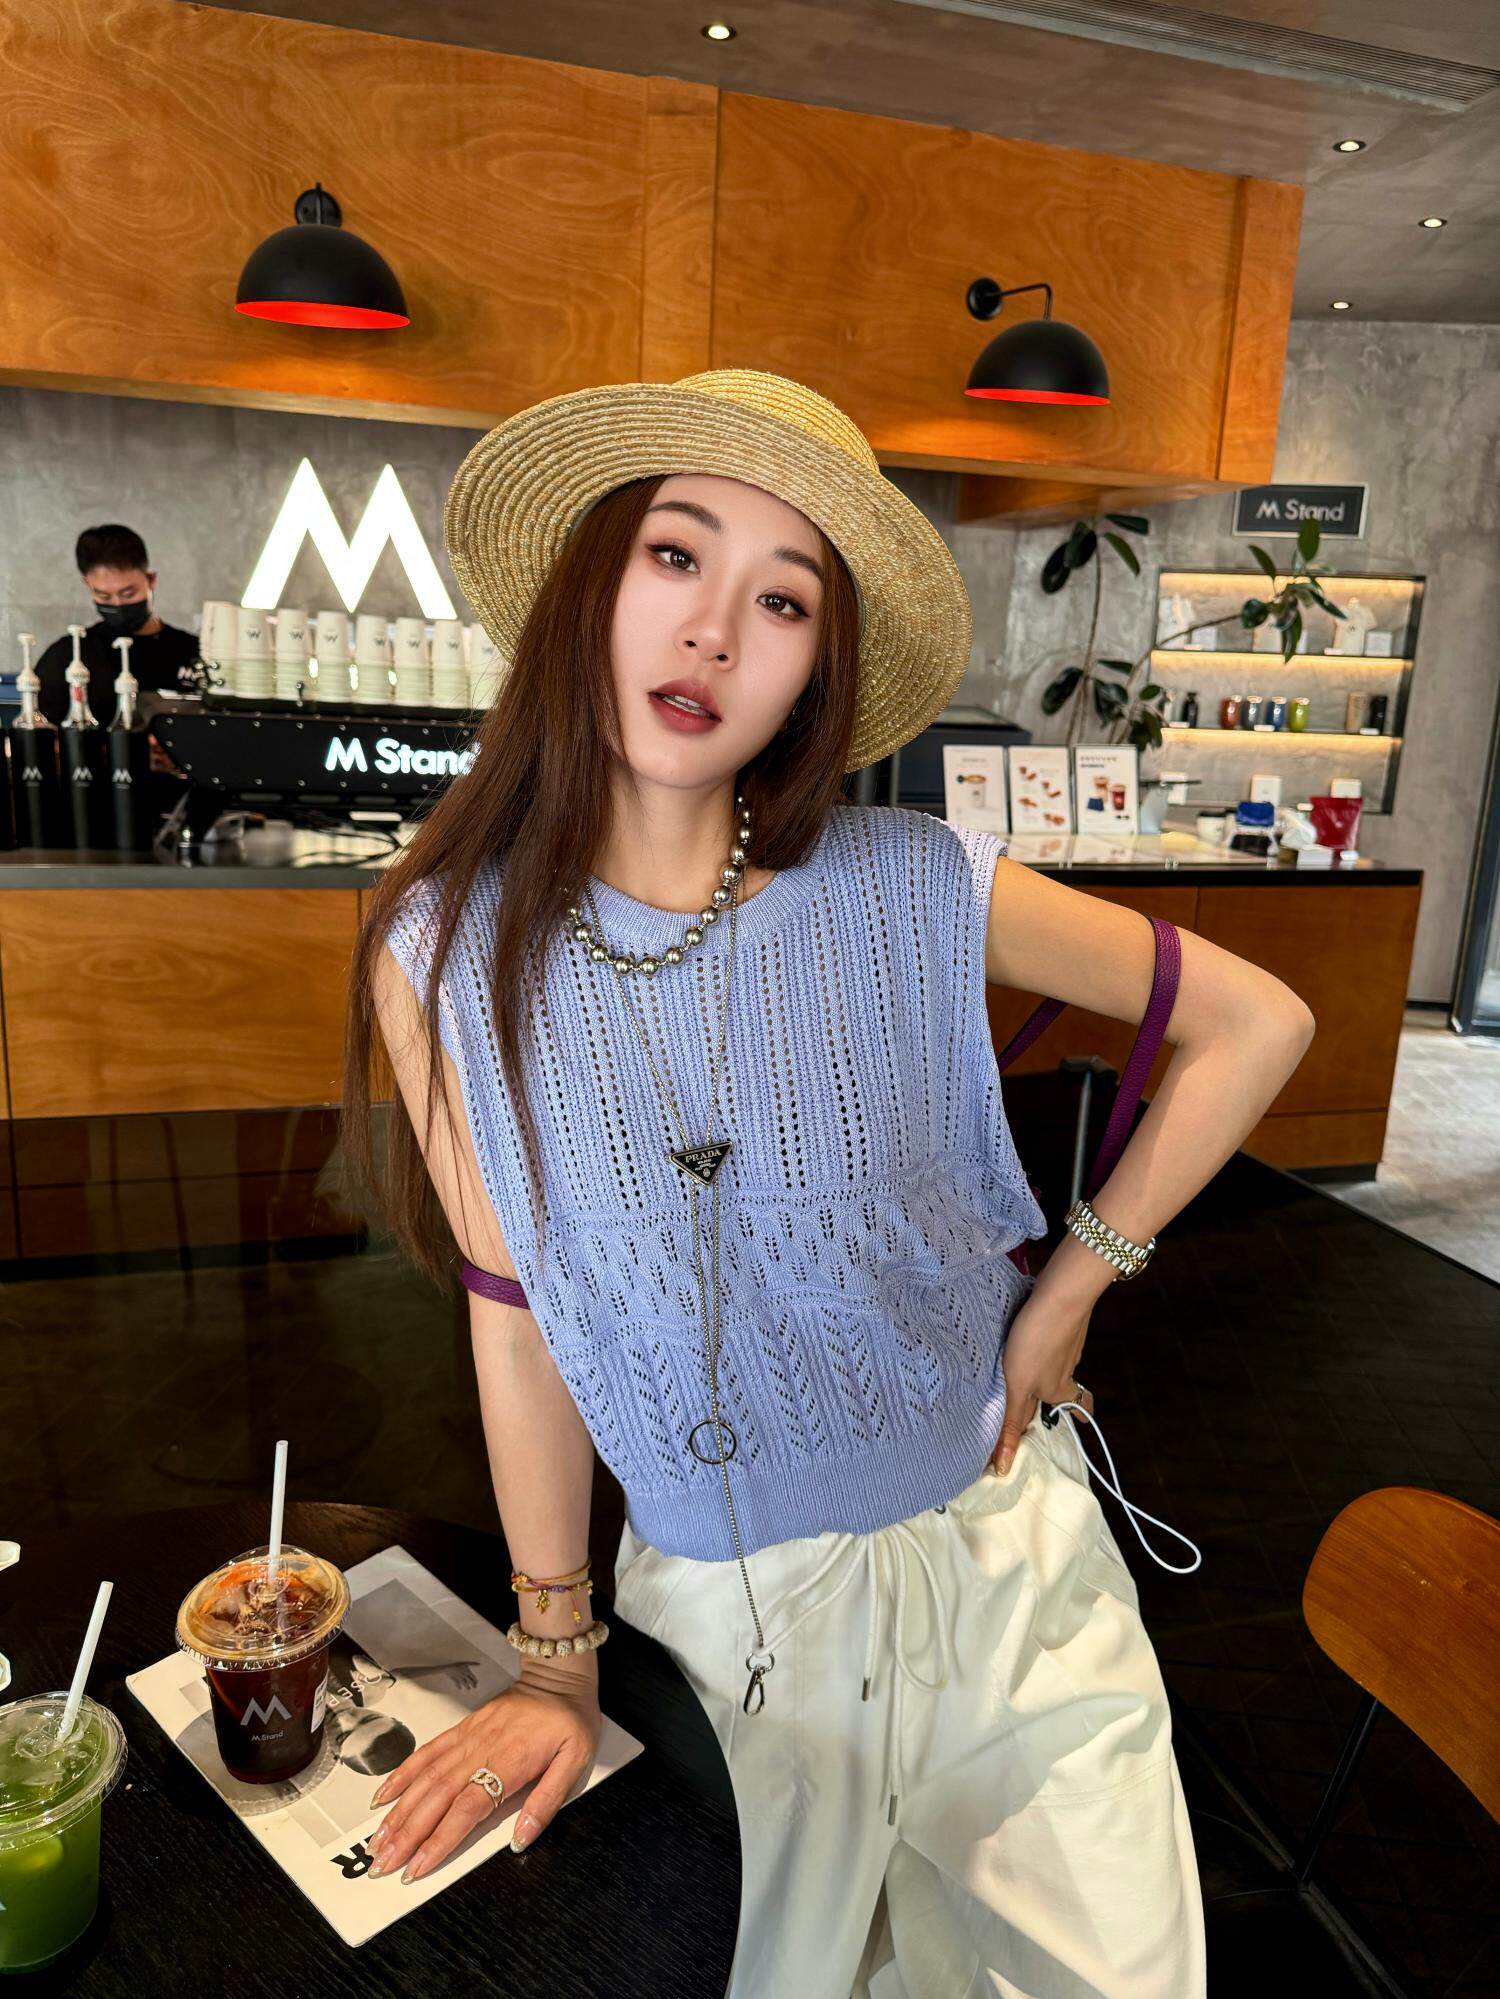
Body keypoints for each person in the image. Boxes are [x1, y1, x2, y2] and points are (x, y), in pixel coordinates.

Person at [341, 369, 1315, 1994]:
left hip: (1011, 1572)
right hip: (735, 1621)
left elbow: (1256, 1020)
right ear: (588, 583)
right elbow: (519, 1315)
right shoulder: (440, 942)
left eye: (782, 598)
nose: (715, 630)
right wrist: (556, 1658)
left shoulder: (917, 881)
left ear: (816, 666)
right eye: (674, 556)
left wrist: (1075, 1286)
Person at [34, 525, 199, 773]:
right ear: (87, 584)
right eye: (104, 596)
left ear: (151, 580)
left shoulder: (193, 652)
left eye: (128, 593)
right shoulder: (68, 656)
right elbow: (42, 742)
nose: (118, 604)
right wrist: (118, 753)